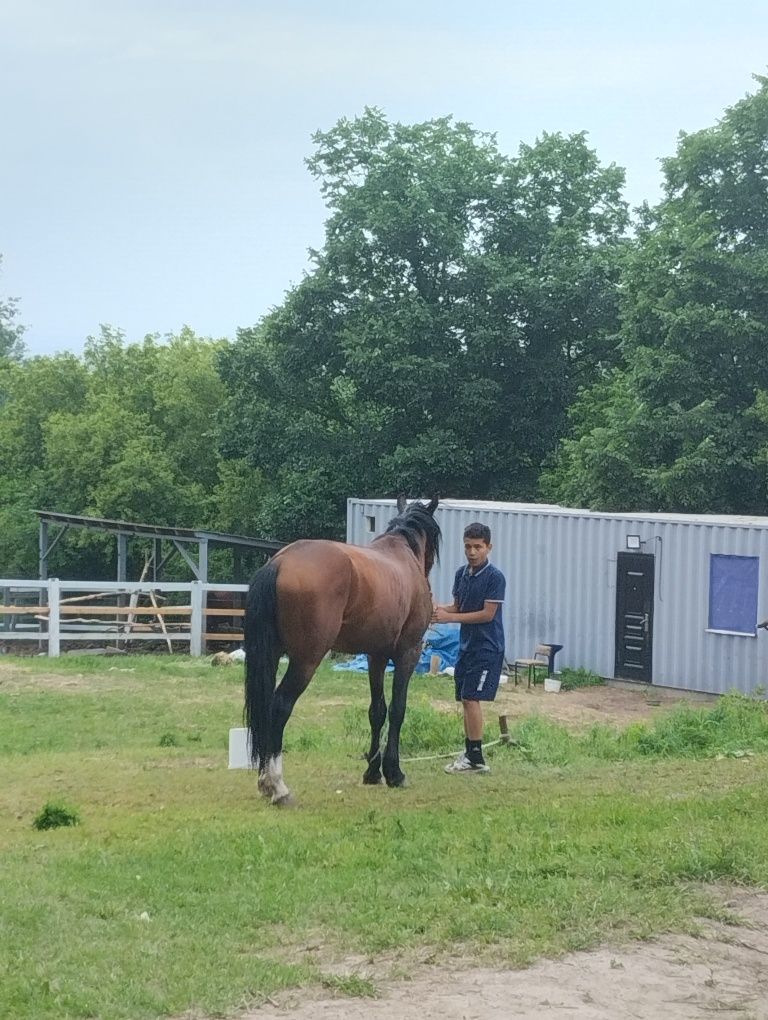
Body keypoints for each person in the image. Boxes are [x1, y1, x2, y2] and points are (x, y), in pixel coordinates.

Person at [432, 522, 506, 774]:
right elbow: (458, 607)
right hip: (466, 647)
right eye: (467, 547)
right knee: (465, 698)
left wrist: (450, 619)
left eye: (477, 547)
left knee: (472, 697)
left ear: (488, 547)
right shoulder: (461, 574)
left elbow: (487, 614)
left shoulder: (495, 577)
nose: (472, 552)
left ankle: (476, 758)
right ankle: (471, 752)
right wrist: (436, 610)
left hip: (487, 647)